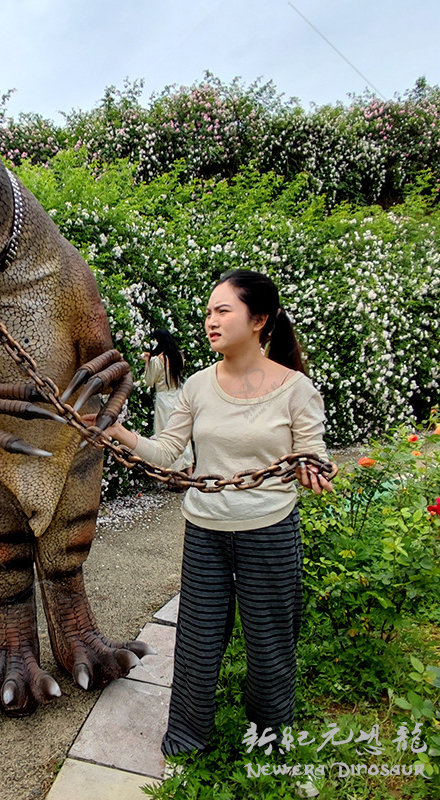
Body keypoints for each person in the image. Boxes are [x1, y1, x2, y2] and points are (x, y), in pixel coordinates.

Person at [85, 269, 334, 764]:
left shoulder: (295, 389)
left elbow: (312, 451)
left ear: (259, 319)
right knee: (197, 640)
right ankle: (188, 736)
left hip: (269, 531)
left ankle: (270, 736)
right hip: (205, 532)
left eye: (224, 311)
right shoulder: (198, 386)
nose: (211, 321)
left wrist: (310, 467)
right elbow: (168, 450)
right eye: (208, 312)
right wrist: (118, 433)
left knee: (269, 642)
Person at [142, 329, 192, 472]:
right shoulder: (179, 357)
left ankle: (172, 473)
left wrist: (147, 363)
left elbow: (149, 381)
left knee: (166, 436)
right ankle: (189, 470)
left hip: (164, 399)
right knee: (182, 434)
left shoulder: (157, 361)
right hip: (179, 396)